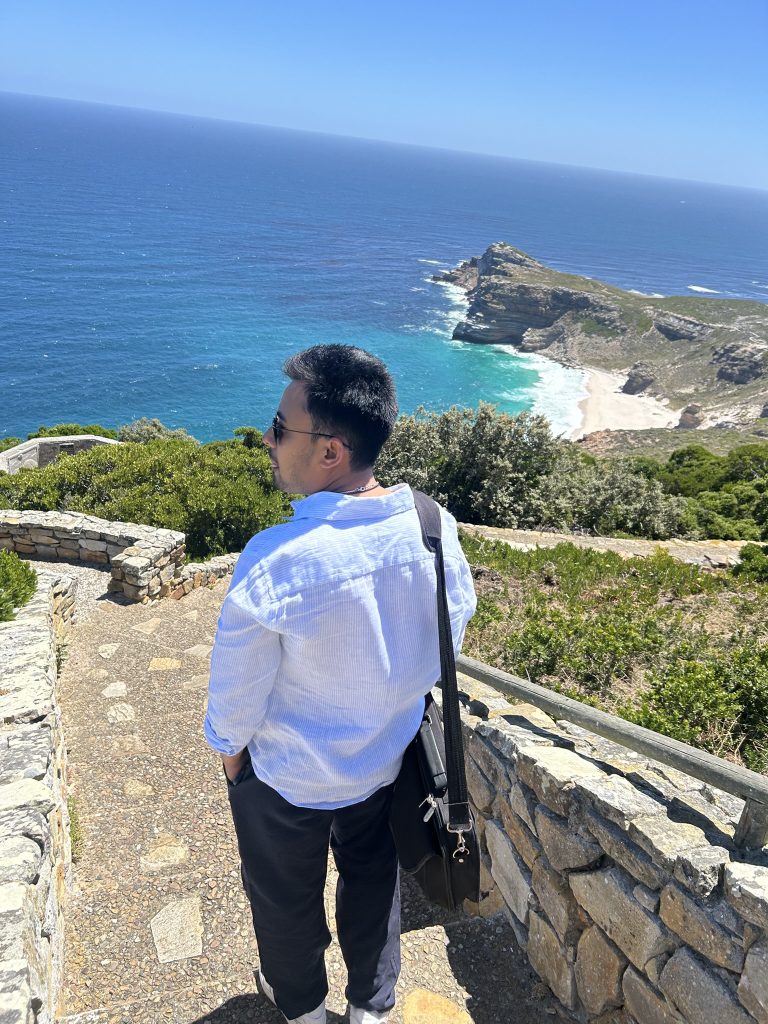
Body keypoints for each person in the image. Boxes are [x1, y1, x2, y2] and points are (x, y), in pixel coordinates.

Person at [204, 344, 476, 1024]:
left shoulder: (276, 560)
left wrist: (233, 759)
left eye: (279, 428)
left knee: (284, 897)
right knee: (374, 882)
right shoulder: (433, 526)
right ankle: (370, 1007)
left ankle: (302, 1008)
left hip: (287, 775)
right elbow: (450, 637)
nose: (267, 440)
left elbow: (235, 691)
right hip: (384, 762)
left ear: (330, 451)